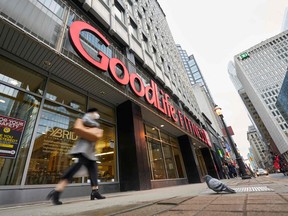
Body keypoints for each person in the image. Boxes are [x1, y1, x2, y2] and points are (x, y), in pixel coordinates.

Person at [47, 108, 105, 205]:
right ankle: (57, 191)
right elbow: (85, 120)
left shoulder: (92, 120)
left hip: (89, 152)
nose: (97, 114)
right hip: (83, 150)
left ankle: (95, 192)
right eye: (96, 113)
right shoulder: (88, 117)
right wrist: (96, 125)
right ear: (92, 112)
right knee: (73, 170)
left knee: (93, 170)